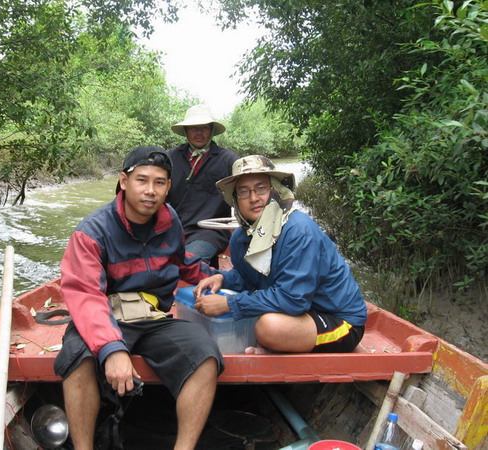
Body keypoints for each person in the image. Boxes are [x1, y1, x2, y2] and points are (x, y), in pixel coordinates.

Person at [55, 146, 224, 450]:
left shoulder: (169, 220)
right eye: (141, 180)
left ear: (168, 187)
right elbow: (85, 296)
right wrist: (112, 349)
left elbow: (180, 260)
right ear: (123, 181)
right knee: (77, 357)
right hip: (104, 317)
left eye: (159, 183)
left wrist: (210, 274)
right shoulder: (92, 232)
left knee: (204, 354)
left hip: (152, 317)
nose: (150, 191)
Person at [194, 155, 367, 354]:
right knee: (254, 315)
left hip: (338, 320)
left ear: (276, 191)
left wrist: (229, 304)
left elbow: (293, 300)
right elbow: (248, 277)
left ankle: (281, 347)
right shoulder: (241, 236)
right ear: (235, 200)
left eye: (261, 189)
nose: (253, 198)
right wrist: (221, 279)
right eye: (243, 192)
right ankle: (281, 346)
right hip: (301, 311)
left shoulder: (298, 230)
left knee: (269, 327)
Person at [167, 104, 239, 264]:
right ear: (186, 131)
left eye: (204, 128)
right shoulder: (171, 157)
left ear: (212, 131)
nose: (199, 133)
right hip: (174, 230)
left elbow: (244, 194)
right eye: (193, 128)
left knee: (187, 262)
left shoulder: (228, 159)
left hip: (211, 231)